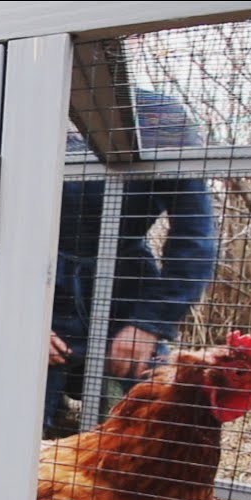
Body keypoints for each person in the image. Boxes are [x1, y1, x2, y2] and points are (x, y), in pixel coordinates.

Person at [44, 88, 218, 438]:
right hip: (41, 284)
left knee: (158, 427)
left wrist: (150, 322)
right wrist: (18, 319)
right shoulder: (15, 103)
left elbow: (195, 237)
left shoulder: (159, 116)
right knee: (16, 431)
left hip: (128, 293)